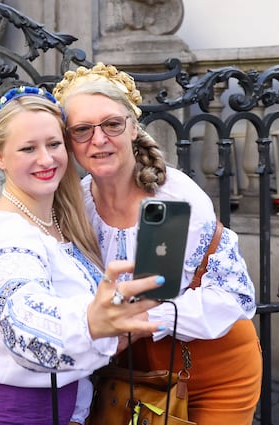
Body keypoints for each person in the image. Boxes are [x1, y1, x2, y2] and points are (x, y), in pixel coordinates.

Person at [0, 85, 166, 425]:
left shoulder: (63, 217)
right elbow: (25, 323)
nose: (46, 159)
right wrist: (92, 324)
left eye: (54, 144)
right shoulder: (7, 235)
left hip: (57, 407)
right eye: (28, 148)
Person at [53, 63, 263, 425]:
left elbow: (233, 295)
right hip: (129, 374)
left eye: (112, 124)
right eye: (82, 130)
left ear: (133, 127)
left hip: (214, 367)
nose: (98, 139)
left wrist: (139, 321)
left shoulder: (174, 196)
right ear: (69, 141)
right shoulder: (75, 205)